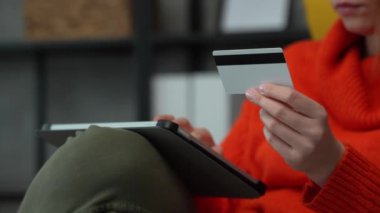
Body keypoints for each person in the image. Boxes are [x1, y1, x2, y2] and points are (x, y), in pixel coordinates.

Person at [19, 0, 380, 212]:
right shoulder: (299, 62)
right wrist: (205, 161)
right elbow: (239, 194)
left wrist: (331, 168)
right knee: (109, 151)